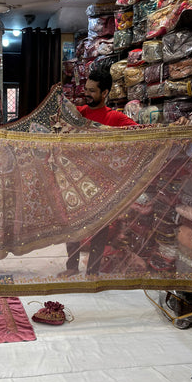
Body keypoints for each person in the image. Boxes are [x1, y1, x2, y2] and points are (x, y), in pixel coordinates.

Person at [58, 69, 137, 278]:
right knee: (73, 225)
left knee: (100, 227)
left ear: (105, 93)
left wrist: (175, 127)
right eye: (86, 89)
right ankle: (71, 267)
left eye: (92, 91)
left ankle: (93, 271)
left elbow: (144, 133)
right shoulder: (78, 114)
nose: (87, 94)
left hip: (102, 182)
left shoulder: (115, 118)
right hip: (74, 180)